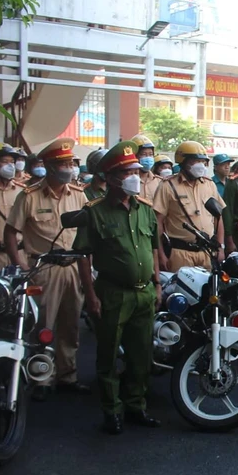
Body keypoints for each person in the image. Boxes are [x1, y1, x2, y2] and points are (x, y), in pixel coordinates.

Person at [75, 141, 162, 435]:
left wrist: (157, 283)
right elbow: (84, 256)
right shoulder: (94, 212)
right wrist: (90, 295)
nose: (135, 177)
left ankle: (136, 405)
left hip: (144, 292)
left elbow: (152, 249)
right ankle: (112, 411)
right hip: (111, 292)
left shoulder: (146, 210)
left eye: (136, 170)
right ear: (111, 178)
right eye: (128, 172)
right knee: (109, 355)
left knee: (142, 355)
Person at [6, 138, 89, 397]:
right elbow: (10, 233)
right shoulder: (28, 196)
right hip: (44, 268)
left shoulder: (78, 194)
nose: (69, 168)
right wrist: (21, 265)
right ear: (51, 167)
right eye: (64, 164)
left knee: (71, 324)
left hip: (73, 266)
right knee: (43, 326)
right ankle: (41, 376)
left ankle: (68, 375)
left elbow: (87, 232)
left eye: (70, 163)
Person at [153, 141, 225, 272]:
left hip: (206, 253)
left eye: (203, 162)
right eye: (195, 161)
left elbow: (218, 218)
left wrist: (221, 247)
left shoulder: (209, 185)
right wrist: (161, 254)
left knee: (208, 291)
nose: (200, 165)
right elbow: (158, 222)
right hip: (180, 253)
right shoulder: (168, 186)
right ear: (183, 162)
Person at [131, 134, 163, 201]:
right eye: (143, 154)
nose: (148, 157)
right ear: (135, 156)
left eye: (150, 154)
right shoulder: (129, 181)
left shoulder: (159, 181)